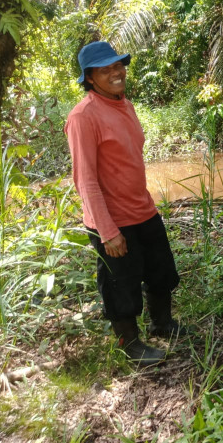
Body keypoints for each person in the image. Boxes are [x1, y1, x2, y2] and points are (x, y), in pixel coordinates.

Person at [65, 41, 190, 367]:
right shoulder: (83, 116)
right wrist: (107, 230)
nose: (115, 73)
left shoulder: (125, 105)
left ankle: (162, 324)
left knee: (162, 272)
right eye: (105, 69)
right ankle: (130, 344)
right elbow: (86, 180)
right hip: (112, 220)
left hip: (143, 209)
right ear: (90, 78)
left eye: (118, 65)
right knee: (121, 285)